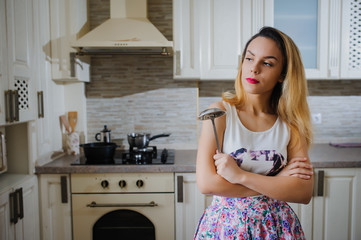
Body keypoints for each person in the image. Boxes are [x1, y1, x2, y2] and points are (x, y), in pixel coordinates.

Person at [194, 27, 314, 239]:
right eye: (249, 59)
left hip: (276, 228)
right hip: (225, 228)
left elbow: (303, 192)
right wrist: (277, 182)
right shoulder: (220, 114)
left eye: (267, 63)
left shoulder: (291, 124)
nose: (254, 69)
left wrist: (240, 176)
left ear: (282, 75)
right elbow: (206, 183)